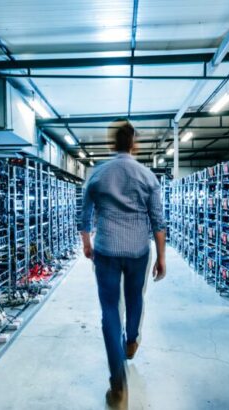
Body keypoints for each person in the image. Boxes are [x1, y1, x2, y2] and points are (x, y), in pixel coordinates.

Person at [78, 119, 167, 408]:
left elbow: (84, 215)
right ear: (134, 144)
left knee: (109, 310)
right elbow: (158, 221)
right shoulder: (147, 176)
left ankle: (117, 384)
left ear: (111, 143)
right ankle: (131, 341)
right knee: (134, 298)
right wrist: (162, 257)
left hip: (106, 249)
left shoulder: (98, 174)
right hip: (138, 250)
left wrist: (87, 244)